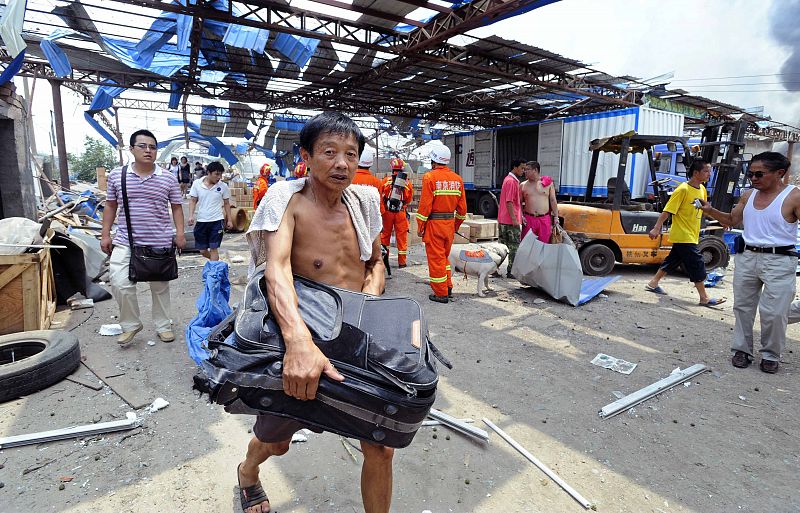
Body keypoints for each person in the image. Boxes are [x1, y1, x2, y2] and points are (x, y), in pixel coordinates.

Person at [237, 112, 389, 513]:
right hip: (303, 333)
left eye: (351, 154)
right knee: (277, 442)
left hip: (355, 336)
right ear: (306, 155)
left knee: (380, 446)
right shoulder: (287, 201)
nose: (342, 163)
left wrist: (369, 300)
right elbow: (277, 268)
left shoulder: (365, 202)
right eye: (330, 152)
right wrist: (298, 342)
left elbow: (376, 261)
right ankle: (247, 472)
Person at [701, 152, 799, 373]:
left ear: (779, 174)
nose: (753, 178)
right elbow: (731, 220)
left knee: (774, 312)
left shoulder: (793, 197)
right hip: (747, 257)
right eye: (750, 173)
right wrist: (711, 211)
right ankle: (742, 351)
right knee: (743, 308)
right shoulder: (747, 196)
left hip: (780, 260)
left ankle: (771, 354)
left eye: (759, 174)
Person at [100, 129, 185, 347]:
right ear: (131, 149)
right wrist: (105, 234)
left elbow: (176, 207)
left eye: (153, 147)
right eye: (143, 146)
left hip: (159, 240)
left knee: (159, 287)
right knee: (119, 282)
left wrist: (180, 234)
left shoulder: (167, 178)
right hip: (126, 240)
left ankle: (163, 326)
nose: (148, 150)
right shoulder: (118, 175)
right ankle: (130, 324)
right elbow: (110, 205)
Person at [645, 159, 724, 307]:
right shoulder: (682, 190)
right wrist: (657, 227)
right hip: (682, 234)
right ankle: (704, 297)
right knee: (696, 263)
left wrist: (721, 221)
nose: (710, 174)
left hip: (692, 234)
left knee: (673, 259)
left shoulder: (702, 189)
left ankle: (653, 283)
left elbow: (705, 210)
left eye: (710, 171)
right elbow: (668, 210)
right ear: (696, 173)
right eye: (706, 171)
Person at [416, 145, 467, 303]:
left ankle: (441, 293)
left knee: (436, 260)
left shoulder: (430, 177)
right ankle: (448, 286)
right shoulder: (457, 179)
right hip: (449, 226)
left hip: (434, 225)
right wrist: (455, 226)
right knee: (444, 258)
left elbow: (425, 206)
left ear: (433, 161)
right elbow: (462, 210)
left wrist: (420, 226)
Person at [188, 161, 233, 261]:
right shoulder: (197, 184)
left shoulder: (223, 186)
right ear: (208, 172)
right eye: (216, 174)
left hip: (217, 221)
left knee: (213, 248)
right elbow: (193, 201)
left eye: (220, 174)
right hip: (202, 220)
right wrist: (190, 216)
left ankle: (214, 272)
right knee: (202, 250)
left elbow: (226, 204)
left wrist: (229, 220)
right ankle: (216, 261)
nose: (219, 177)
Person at [380, 158, 414, 268]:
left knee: (385, 236)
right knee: (401, 237)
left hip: (387, 212)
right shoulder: (407, 182)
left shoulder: (385, 181)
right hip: (401, 212)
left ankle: (384, 261)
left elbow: (381, 196)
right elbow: (409, 199)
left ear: (392, 167)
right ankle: (402, 262)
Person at [497, 158, 525, 277]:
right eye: (522, 168)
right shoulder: (512, 181)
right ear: (515, 167)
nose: (523, 171)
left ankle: (493, 269)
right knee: (514, 246)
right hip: (509, 221)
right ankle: (511, 271)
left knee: (501, 247)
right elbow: (509, 201)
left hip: (504, 219)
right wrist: (514, 219)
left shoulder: (508, 180)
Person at [520, 161, 558, 243]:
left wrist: (556, 216)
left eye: (527, 169)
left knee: (544, 244)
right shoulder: (523, 185)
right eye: (524, 169)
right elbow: (519, 202)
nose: (524, 172)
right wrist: (521, 216)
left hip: (544, 219)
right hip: (529, 219)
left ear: (535, 170)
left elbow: (553, 200)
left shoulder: (548, 183)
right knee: (527, 244)